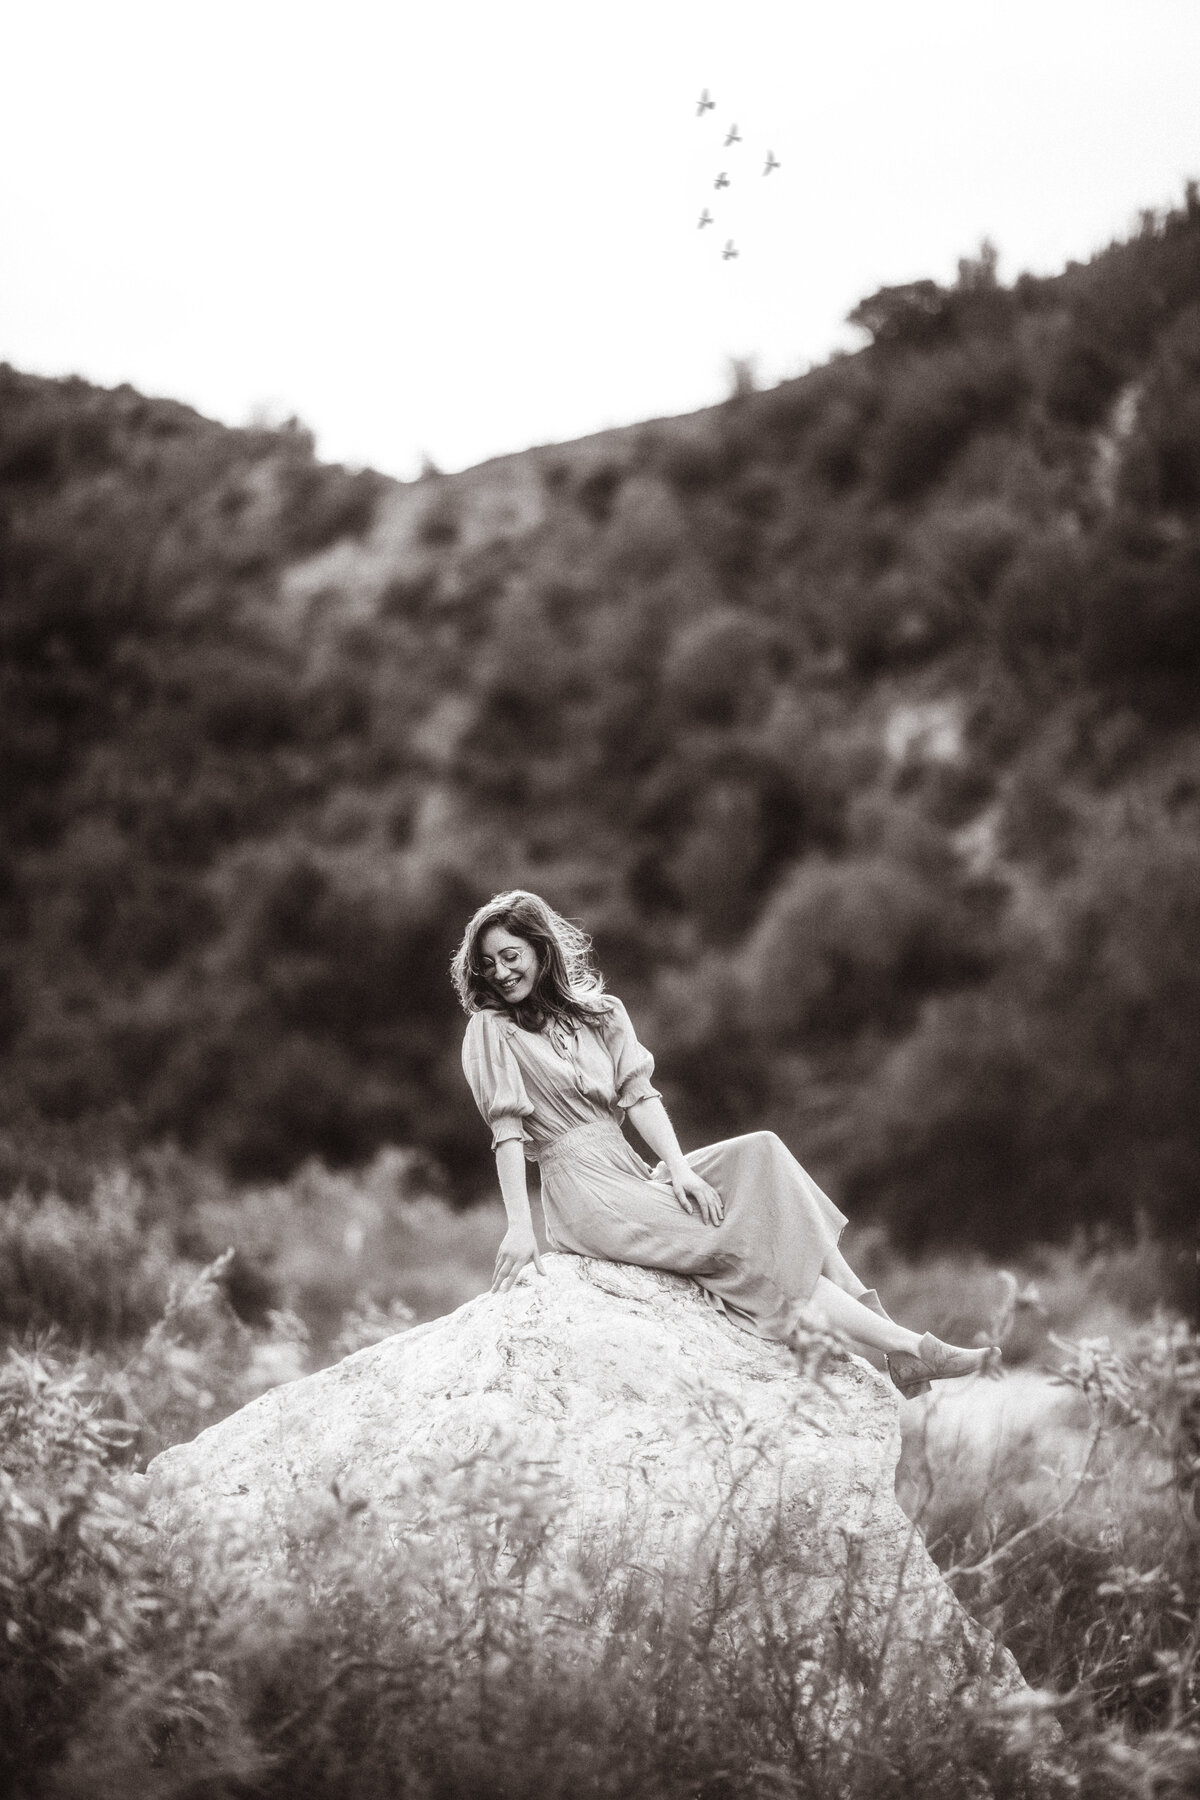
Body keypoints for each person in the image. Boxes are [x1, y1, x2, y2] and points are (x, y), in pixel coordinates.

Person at [452, 889, 998, 1399]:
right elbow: (506, 1131)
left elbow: (639, 1098)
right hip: (583, 1190)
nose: (500, 973)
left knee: (761, 1152)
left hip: (629, 1168)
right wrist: (520, 1227)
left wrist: (678, 1168)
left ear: (541, 949)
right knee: (744, 1242)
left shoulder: (603, 1014)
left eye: (510, 956)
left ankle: (870, 1318)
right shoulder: (490, 1030)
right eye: (490, 964)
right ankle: (907, 1348)